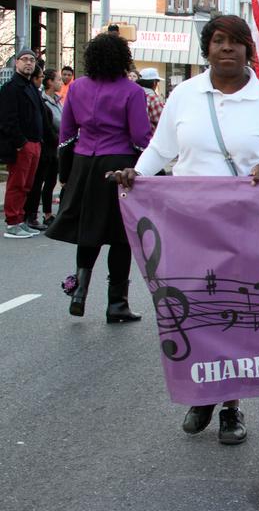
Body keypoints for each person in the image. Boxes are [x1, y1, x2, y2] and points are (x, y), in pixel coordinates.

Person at [111, 14, 259, 446]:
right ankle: (203, 393)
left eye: (236, 42)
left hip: (245, 226)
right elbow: (161, 149)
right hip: (189, 226)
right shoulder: (185, 96)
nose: (227, 49)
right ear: (207, 49)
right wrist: (136, 175)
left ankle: (231, 407)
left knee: (234, 315)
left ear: (248, 50)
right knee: (195, 311)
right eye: (219, 41)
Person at [45, 33, 152, 320]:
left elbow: (65, 137)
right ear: (122, 58)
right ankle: (117, 304)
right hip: (118, 165)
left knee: (88, 232)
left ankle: (79, 292)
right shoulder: (132, 91)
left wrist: (66, 174)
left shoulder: (77, 87)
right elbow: (141, 138)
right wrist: (153, 170)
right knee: (120, 237)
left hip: (83, 163)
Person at [1, 49, 45, 239]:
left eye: (32, 60)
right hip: (23, 145)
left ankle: (20, 219)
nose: (29, 63)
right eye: (25, 59)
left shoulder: (31, 87)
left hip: (35, 143)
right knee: (17, 184)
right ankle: (12, 222)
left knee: (27, 185)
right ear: (16, 62)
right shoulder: (11, 88)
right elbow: (7, 119)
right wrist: (21, 142)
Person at [24, 68, 62, 230]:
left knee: (52, 181)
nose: (61, 82)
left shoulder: (58, 101)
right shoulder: (43, 101)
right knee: (39, 182)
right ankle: (30, 215)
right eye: (58, 79)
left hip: (57, 148)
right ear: (49, 82)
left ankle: (47, 214)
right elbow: (48, 126)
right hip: (47, 147)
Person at [136, 67, 166, 133]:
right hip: (149, 136)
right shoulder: (152, 97)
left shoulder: (135, 94)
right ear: (154, 83)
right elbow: (161, 120)